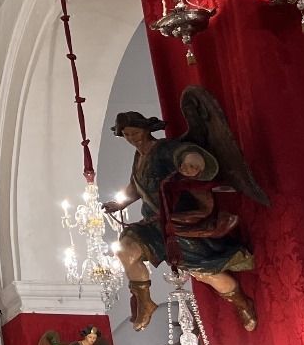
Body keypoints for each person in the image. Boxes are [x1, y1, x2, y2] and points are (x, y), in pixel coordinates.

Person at [105, 108, 259, 330]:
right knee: (124, 248)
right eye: (127, 135)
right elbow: (135, 188)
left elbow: (185, 153)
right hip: (153, 224)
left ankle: (242, 302)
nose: (132, 138)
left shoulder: (164, 148)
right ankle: (145, 303)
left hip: (179, 223)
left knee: (204, 273)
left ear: (146, 129)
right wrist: (119, 204)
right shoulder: (139, 157)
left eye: (135, 132)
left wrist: (192, 162)